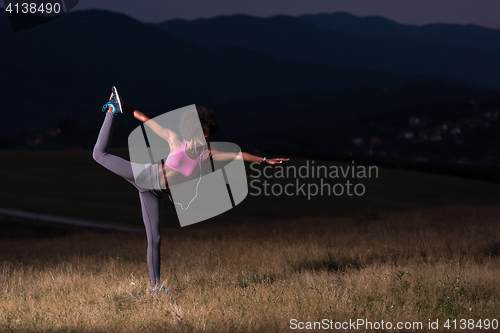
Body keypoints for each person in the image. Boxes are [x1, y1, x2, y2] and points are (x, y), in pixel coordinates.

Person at [93, 87, 289, 292]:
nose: (205, 137)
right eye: (202, 132)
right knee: (99, 155)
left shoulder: (207, 154)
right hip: (147, 176)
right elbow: (146, 119)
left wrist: (265, 160)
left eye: (207, 134)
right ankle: (111, 111)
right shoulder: (175, 140)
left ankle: (155, 287)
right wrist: (123, 106)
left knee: (155, 238)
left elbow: (238, 155)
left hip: (154, 194)